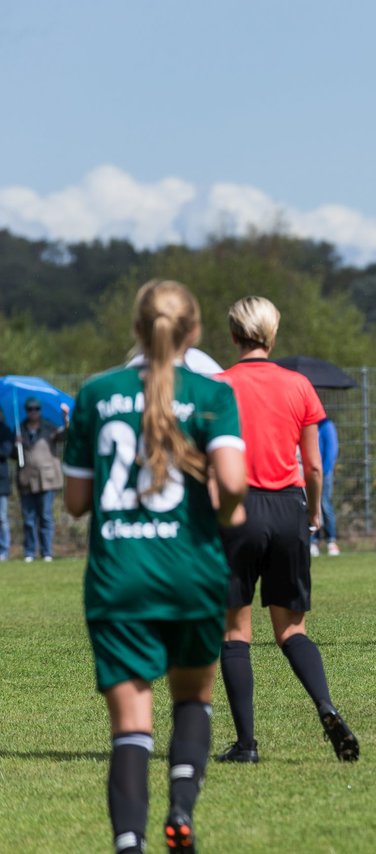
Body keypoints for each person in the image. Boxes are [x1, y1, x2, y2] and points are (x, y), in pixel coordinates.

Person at [62, 279, 247, 854]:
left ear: (137, 329)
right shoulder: (212, 394)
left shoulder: (97, 393)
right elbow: (235, 484)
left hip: (119, 579)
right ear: (193, 333)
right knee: (192, 700)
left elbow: (73, 504)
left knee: (131, 728)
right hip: (191, 573)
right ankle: (181, 811)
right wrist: (229, 511)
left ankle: (127, 844)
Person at [215, 296, 358, 763]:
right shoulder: (299, 386)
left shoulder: (216, 387)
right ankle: (327, 707)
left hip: (238, 510)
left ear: (234, 335)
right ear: (272, 336)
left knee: (235, 633)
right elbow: (314, 465)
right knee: (291, 629)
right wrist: (313, 513)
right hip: (288, 508)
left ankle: (247, 744)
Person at [16, 396, 70, 561]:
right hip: (27, 479)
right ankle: (29, 552)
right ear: (26, 411)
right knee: (29, 518)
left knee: (45, 516)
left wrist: (66, 418)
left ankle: (47, 552)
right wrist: (16, 444)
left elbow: (66, 435)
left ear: (40, 411)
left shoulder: (49, 427)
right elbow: (12, 455)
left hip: (47, 478)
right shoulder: (20, 429)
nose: (33, 412)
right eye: (30, 409)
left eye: (36, 409)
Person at [310, 417, 340, 557]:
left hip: (324, 473)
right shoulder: (307, 424)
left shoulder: (326, 425)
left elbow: (331, 450)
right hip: (309, 472)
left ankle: (331, 541)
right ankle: (312, 541)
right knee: (310, 506)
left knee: (324, 504)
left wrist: (324, 472)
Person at [0, 411, 12, 560]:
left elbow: (6, 452)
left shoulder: (5, 430)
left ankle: (4, 550)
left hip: (1, 482)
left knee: (1, 517)